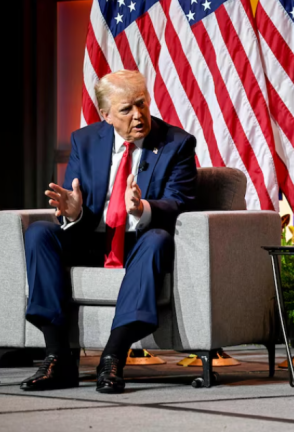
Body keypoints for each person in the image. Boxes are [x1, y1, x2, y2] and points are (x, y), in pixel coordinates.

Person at [20, 70, 197, 394]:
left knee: (157, 240)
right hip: (91, 239)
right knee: (39, 234)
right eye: (126, 109)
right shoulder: (85, 141)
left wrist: (142, 209)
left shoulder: (177, 144)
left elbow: (180, 202)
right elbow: (77, 200)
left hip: (141, 241)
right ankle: (57, 357)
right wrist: (74, 211)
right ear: (106, 115)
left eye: (141, 103)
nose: (139, 115)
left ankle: (113, 356)